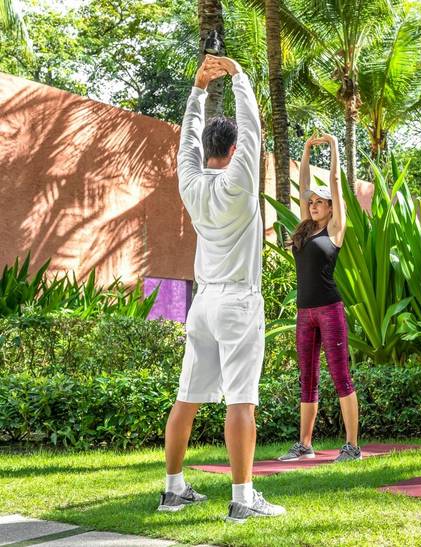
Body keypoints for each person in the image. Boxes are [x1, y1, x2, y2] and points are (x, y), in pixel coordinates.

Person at [157, 54, 285, 523]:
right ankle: (242, 499)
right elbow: (252, 128)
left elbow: (186, 143)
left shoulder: (191, 183)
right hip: (237, 301)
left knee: (186, 397)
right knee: (241, 400)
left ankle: (173, 491)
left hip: (203, 304)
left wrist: (198, 89)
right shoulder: (239, 180)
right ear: (233, 152)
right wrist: (237, 75)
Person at [276, 132, 361, 463]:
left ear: (330, 208)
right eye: (311, 202)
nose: (313, 205)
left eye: (319, 202)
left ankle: (352, 446)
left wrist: (334, 146)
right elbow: (302, 184)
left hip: (329, 309)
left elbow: (337, 183)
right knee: (307, 379)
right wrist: (307, 149)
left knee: (340, 376)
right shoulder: (305, 229)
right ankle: (305, 444)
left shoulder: (335, 229)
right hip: (304, 312)